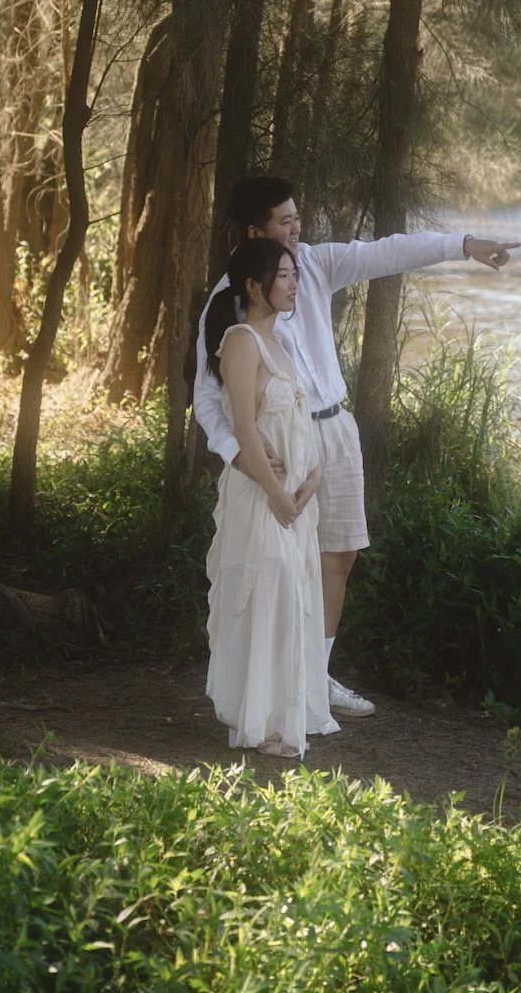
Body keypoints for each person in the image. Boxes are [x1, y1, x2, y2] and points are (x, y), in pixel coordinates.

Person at [194, 176, 520, 720]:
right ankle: (272, 688)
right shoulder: (227, 301)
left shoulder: (316, 264)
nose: (297, 229)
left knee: (339, 555)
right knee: (279, 564)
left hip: (336, 429)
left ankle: (315, 679)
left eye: (298, 218)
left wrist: (465, 245)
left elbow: (388, 251)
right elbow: (206, 398)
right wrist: (239, 454)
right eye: (284, 222)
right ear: (255, 232)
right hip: (278, 443)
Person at [203, 236, 339, 759]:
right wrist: (276, 492)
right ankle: (255, 723)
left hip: (295, 499)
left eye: (295, 274)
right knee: (267, 591)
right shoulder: (241, 342)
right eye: (283, 275)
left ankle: (282, 717)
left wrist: (310, 481)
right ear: (255, 287)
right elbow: (243, 429)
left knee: (292, 595)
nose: (294, 283)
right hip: (261, 495)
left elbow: (297, 423)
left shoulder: (280, 343)